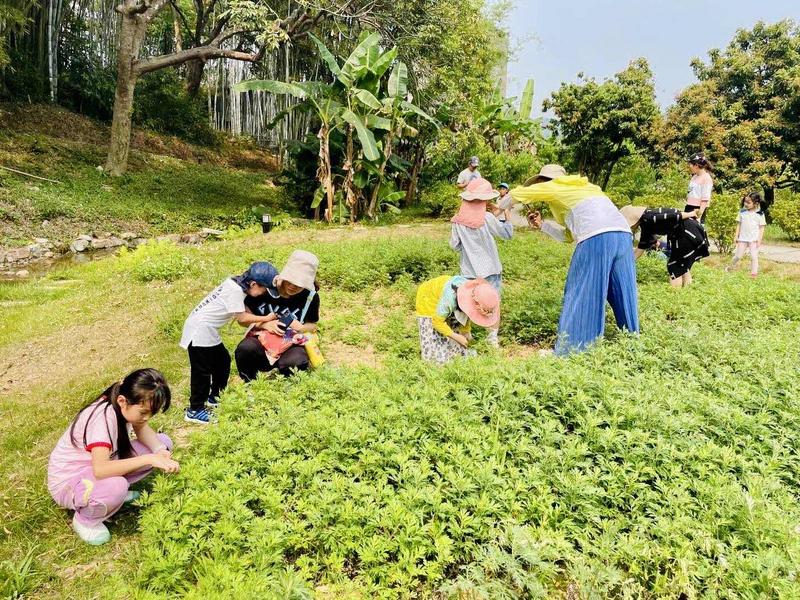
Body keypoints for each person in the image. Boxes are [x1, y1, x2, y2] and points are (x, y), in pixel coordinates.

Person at [511, 164, 639, 355]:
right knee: (622, 289)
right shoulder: (583, 190)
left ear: (545, 181)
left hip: (596, 237)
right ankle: (632, 343)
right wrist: (542, 225)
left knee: (581, 290)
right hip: (622, 235)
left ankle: (571, 351)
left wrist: (493, 205)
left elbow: (517, 194)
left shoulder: (556, 186)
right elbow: (568, 236)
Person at [47, 369, 178, 545]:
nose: (146, 418)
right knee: (117, 484)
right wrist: (149, 459)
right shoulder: (102, 419)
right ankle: (86, 520)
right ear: (122, 401)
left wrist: (159, 450)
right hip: (69, 483)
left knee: (163, 442)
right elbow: (100, 470)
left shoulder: (123, 405)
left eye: (151, 414)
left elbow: (141, 428)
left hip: (98, 467)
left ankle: (110, 494)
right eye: (143, 413)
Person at [180, 262, 281, 424]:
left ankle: (215, 396)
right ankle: (195, 409)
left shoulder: (237, 285)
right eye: (264, 289)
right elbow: (242, 318)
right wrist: (266, 318)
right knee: (202, 371)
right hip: (199, 330)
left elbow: (243, 311)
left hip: (208, 329)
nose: (264, 293)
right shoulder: (234, 290)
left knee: (223, 361)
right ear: (254, 284)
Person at [234, 250, 321, 380]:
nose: (293, 286)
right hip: (262, 341)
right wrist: (266, 324)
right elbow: (242, 320)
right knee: (245, 349)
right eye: (290, 281)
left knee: (296, 362)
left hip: (290, 344)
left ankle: (286, 384)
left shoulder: (309, 297)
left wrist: (301, 328)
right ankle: (249, 382)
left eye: (299, 285)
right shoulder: (263, 287)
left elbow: (312, 325)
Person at [449, 177, 512, 347]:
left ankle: (465, 335)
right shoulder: (487, 218)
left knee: (465, 303)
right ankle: (492, 339)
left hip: (468, 271)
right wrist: (507, 214)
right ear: (485, 200)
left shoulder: (457, 221)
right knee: (492, 304)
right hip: (491, 270)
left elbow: (454, 246)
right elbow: (507, 234)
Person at [415, 276, 499, 364]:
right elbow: (436, 321)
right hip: (428, 299)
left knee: (455, 336)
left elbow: (468, 314)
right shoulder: (449, 299)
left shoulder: (474, 294)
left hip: (446, 301)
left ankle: (451, 355)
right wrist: (456, 337)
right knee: (434, 350)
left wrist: (465, 331)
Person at [620, 206, 709, 287]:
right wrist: (626, 261)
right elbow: (642, 246)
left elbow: (674, 216)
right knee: (683, 265)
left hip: (687, 232)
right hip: (687, 233)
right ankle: (687, 292)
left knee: (675, 267)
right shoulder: (646, 224)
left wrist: (691, 214)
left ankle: (675, 294)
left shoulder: (650, 217)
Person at [727, 192, 766, 277]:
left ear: (756, 203)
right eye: (745, 202)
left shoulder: (760, 214)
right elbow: (739, 225)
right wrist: (736, 236)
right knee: (738, 256)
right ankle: (729, 268)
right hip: (742, 239)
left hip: (754, 240)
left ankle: (753, 274)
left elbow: (762, 228)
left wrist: (759, 240)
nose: (746, 204)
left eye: (748, 202)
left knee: (754, 257)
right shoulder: (742, 212)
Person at [685, 153, 714, 223]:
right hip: (689, 207)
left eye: (690, 164)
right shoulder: (694, 177)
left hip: (697, 209)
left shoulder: (706, 178)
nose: (689, 166)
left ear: (696, 165)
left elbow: (705, 200)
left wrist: (699, 216)